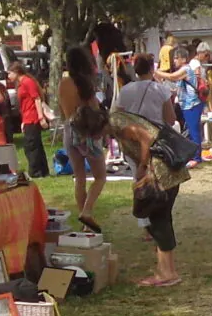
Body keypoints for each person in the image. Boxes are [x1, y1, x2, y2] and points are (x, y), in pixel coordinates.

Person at [112, 55, 185, 286]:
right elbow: (171, 118)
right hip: (159, 148)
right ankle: (164, 263)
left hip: (149, 155)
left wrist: (142, 165)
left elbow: (132, 126)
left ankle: (166, 269)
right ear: (151, 68)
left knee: (153, 204)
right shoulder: (160, 89)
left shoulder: (126, 92)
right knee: (160, 209)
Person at [56, 45, 114, 229]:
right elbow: (95, 110)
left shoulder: (63, 83)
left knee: (79, 177)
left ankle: (84, 221)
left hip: (69, 129)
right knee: (100, 177)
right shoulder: (85, 84)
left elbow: (63, 109)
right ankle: (87, 211)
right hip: (86, 133)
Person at [11, 57, 50, 178]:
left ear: (16, 72)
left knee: (31, 145)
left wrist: (40, 117)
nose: (8, 76)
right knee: (35, 144)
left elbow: (36, 98)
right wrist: (23, 121)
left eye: (10, 73)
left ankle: (35, 171)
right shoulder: (20, 84)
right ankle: (43, 170)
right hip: (26, 117)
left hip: (32, 116)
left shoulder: (28, 82)